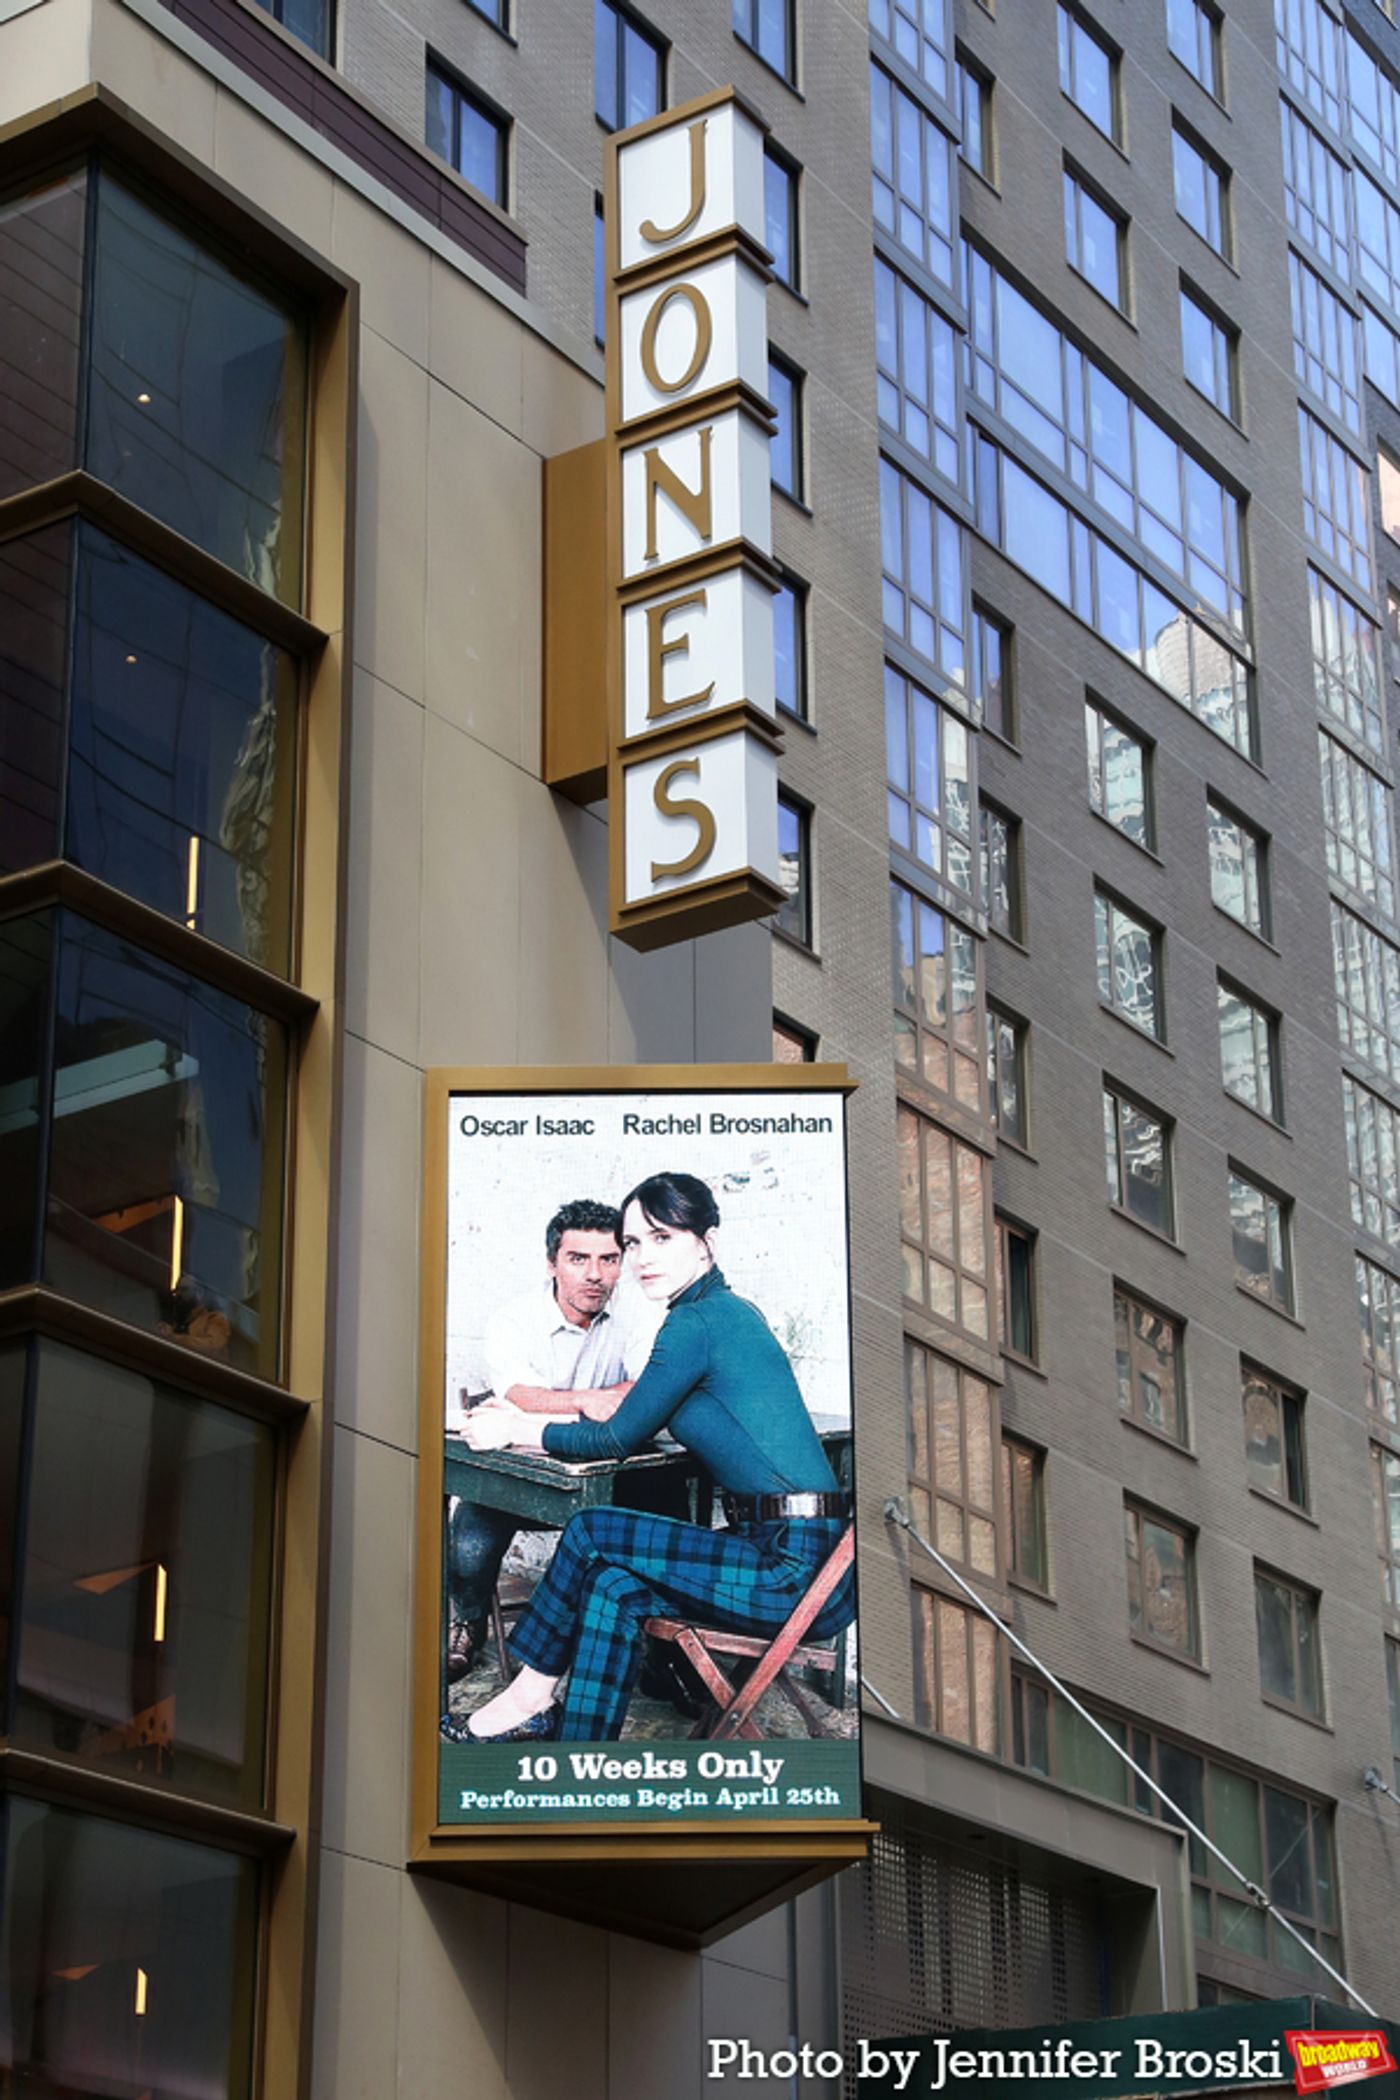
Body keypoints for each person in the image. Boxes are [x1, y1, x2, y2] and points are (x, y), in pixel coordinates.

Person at [453, 1171, 852, 1743]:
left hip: (796, 1571)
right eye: (635, 1242)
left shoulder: (697, 1323)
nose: (643, 1258)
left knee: (591, 1530)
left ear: (707, 1242)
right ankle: (582, 1751)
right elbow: (630, 1415)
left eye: (662, 1237)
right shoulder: (719, 1314)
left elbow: (614, 1438)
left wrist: (519, 1427)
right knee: (613, 1584)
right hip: (792, 1555)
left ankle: (528, 1696)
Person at [445, 1197, 661, 1678]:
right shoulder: (514, 1319)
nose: (595, 1274)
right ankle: (469, 1622)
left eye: (609, 1259)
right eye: (578, 1258)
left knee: (663, 1505)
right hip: (525, 1476)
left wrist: (561, 1404)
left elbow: (653, 1388)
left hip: (601, 1477)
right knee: (470, 1539)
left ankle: (659, 1648)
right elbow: (517, 1395)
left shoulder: (638, 1311)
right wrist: (591, 1402)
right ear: (552, 1264)